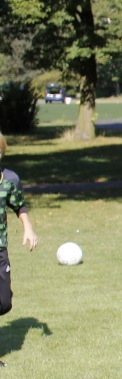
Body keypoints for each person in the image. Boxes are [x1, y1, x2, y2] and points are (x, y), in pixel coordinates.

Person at [0, 134, 38, 320]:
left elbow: (19, 205)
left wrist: (28, 228)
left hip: (0, 248)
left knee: (4, 304)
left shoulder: (9, 180)